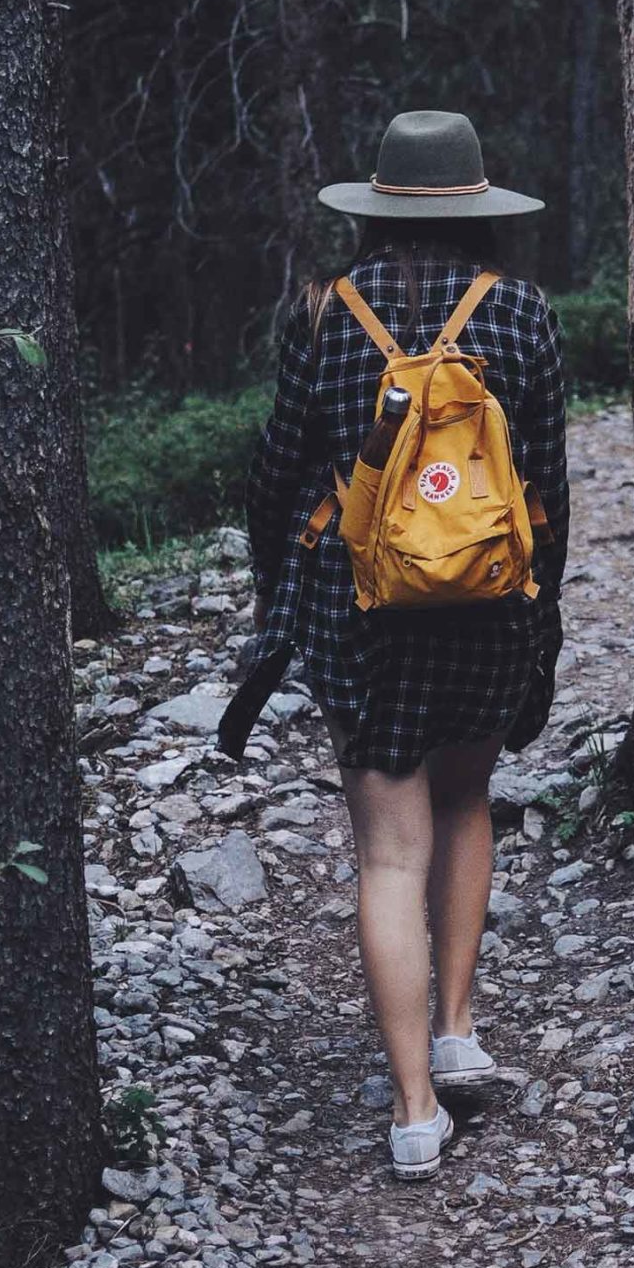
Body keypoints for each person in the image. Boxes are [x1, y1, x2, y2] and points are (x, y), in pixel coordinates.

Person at [244, 111, 569, 1180]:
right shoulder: (520, 313)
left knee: (388, 849)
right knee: (467, 800)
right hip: (486, 602)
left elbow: (279, 471)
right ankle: (458, 1026)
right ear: (480, 213)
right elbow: (546, 488)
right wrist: (541, 613)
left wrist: (271, 599)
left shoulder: (322, 315)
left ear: (375, 210)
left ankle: (413, 1112)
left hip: (360, 612)